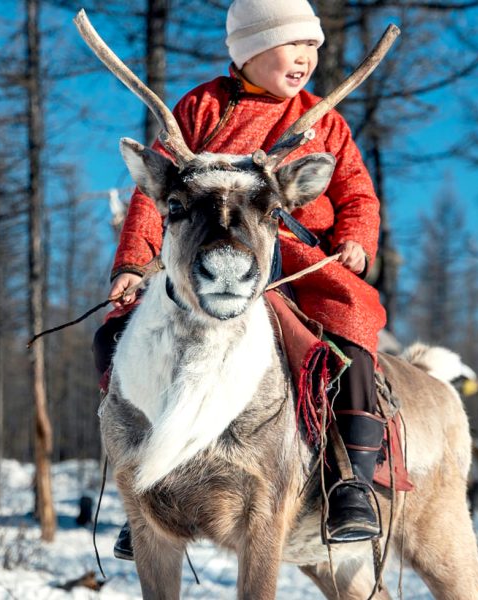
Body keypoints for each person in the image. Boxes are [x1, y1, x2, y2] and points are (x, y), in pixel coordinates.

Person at [95, 0, 388, 559]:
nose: (305, 58)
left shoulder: (323, 119)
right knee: (115, 336)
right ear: (250, 50)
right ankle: (141, 489)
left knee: (346, 339)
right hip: (197, 256)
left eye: (312, 47)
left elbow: (356, 191)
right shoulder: (201, 107)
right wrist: (135, 264)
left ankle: (351, 477)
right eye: (290, 44)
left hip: (292, 257)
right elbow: (152, 194)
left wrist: (355, 238)